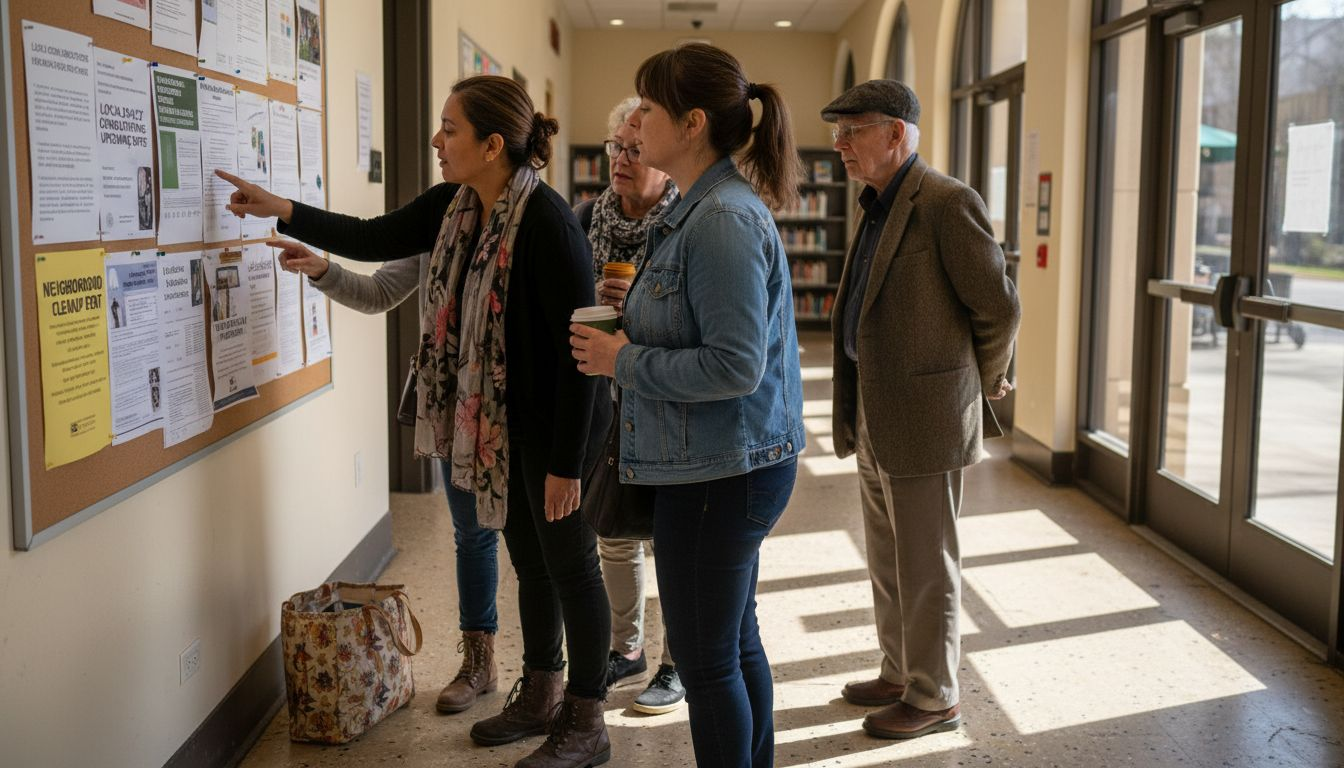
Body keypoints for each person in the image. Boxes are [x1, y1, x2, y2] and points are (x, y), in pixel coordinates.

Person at [219, 75, 613, 768]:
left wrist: (563, 465)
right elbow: (371, 239)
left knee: (572, 568)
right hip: (503, 428)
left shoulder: (549, 225)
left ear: (493, 145)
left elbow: (580, 359)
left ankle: (587, 720)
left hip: (558, 428)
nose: (437, 140)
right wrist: (281, 208)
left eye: (450, 128)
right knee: (530, 562)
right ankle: (543, 691)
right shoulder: (456, 207)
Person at [570, 44, 804, 768]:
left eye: (648, 108)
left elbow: (736, 365)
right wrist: (638, 320)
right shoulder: (704, 209)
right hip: (719, 463)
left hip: (718, 475)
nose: (634, 123)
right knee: (733, 644)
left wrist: (622, 359)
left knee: (706, 664)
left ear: (693, 122)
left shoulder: (721, 220)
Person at [819, 80, 1021, 740]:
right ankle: (901, 670)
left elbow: (998, 305)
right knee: (888, 556)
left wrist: (978, 384)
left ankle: (934, 697)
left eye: (852, 130)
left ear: (896, 134)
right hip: (876, 408)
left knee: (927, 563)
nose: (840, 144)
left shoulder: (945, 202)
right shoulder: (876, 203)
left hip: (927, 413)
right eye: (837, 132)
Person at [574, 96, 684, 716]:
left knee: (669, 538)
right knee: (611, 531)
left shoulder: (685, 226)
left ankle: (676, 661)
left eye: (634, 149)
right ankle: (629, 647)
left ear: (665, 160)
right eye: (616, 146)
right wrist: (595, 297)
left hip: (666, 399)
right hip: (605, 398)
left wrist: (636, 299)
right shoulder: (586, 216)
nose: (619, 159)